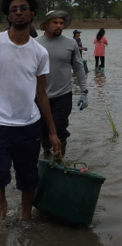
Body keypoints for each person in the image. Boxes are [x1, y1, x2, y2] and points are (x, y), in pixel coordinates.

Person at [0, 0, 60, 220]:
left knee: (28, 176)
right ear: (8, 15)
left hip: (28, 124)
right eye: (14, 9)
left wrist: (52, 131)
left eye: (24, 8)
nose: (19, 12)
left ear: (32, 14)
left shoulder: (39, 53)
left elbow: (42, 94)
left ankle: (25, 218)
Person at [36, 10, 88, 157]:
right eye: (55, 23)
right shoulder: (35, 44)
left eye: (61, 23)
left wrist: (84, 91)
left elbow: (78, 67)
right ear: (46, 24)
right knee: (43, 129)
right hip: (40, 95)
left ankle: (59, 160)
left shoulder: (70, 44)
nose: (59, 25)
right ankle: (47, 156)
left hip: (63, 94)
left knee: (59, 127)